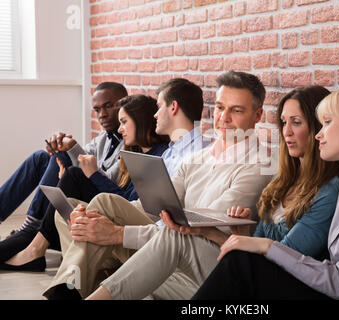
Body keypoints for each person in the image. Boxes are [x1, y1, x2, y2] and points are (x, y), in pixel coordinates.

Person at [192, 84, 339, 300]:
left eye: (326, 122)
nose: (319, 134)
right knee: (241, 265)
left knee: (241, 264)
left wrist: (267, 246)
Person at [82, 71, 279, 301]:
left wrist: (118, 234)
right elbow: (158, 206)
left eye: (236, 110)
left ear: (257, 115)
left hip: (216, 267)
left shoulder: (259, 166)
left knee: (172, 238)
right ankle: (71, 286)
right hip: (173, 260)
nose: (223, 118)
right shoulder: (198, 158)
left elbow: (199, 227)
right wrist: (96, 219)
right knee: (99, 208)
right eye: (219, 107)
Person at [42, 77, 213, 299]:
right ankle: (79, 282)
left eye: (159, 107)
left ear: (173, 107)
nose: (154, 114)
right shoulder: (171, 151)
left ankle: (69, 289)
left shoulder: (198, 153)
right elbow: (142, 198)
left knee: (104, 202)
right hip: (149, 213)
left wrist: (96, 177)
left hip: (166, 227)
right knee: (74, 211)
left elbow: (178, 209)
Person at [0, 95, 169, 272]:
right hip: (99, 210)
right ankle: (32, 239)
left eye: (124, 122)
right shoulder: (131, 151)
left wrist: (92, 174)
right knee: (56, 166)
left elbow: (124, 204)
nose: (120, 129)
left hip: (119, 223)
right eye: (97, 110)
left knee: (73, 175)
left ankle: (34, 246)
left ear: (141, 121)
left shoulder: (157, 157)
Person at [0, 82, 127, 262]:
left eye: (108, 106)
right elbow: (80, 159)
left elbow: (102, 180)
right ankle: (27, 222)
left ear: (124, 103)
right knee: (41, 158)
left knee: (65, 157)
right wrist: (63, 145)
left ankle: (31, 227)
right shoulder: (103, 139)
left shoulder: (131, 144)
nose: (102, 115)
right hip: (81, 194)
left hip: (99, 205)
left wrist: (72, 149)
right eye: (97, 110)